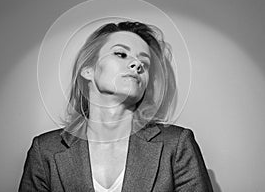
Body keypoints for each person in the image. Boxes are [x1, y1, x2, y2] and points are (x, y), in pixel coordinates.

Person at [19, 21, 213, 191]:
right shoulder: (45, 150)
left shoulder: (177, 144)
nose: (137, 65)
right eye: (121, 54)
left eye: (144, 63)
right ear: (88, 69)